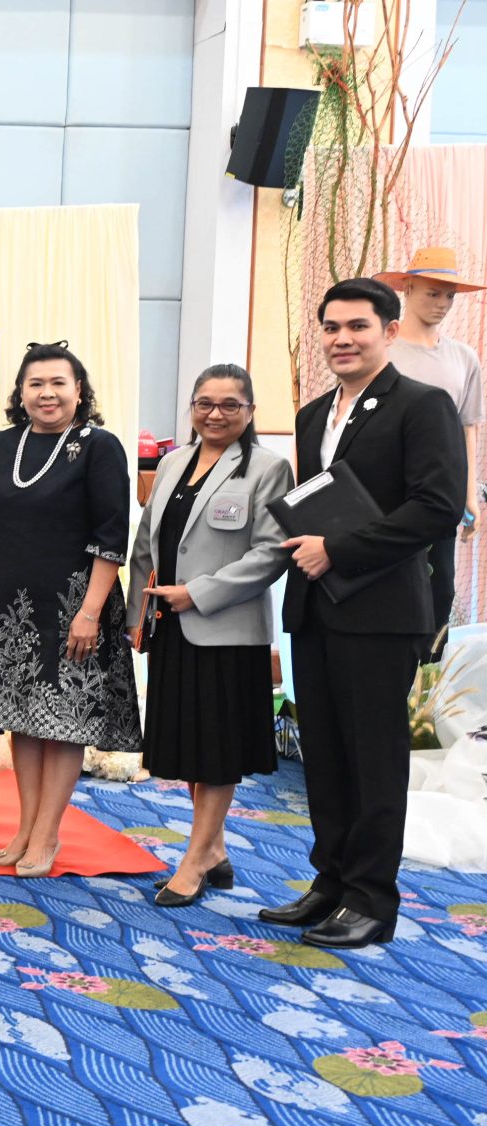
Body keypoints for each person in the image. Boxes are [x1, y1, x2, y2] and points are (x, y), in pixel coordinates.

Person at [264, 277, 465, 948]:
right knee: (323, 755)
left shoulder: (423, 405)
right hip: (317, 606)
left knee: (373, 759)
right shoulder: (313, 413)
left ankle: (372, 899)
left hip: (381, 611)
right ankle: (330, 882)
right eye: (331, 327)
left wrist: (338, 550)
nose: (342, 339)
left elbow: (437, 507)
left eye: (357, 326)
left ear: (389, 331)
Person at [126, 364, 294, 905]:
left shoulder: (268, 468)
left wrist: (197, 593)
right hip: (171, 625)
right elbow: (147, 544)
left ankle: (194, 861)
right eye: (204, 403)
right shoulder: (172, 462)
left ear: (250, 411)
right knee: (190, 744)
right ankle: (215, 848)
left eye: (229, 405)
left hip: (227, 630)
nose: (215, 414)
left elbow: (271, 553)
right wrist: (136, 616)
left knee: (217, 749)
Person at [0, 342, 138, 878]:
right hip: (11, 608)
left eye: (58, 383)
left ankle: (47, 833)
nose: (47, 393)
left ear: (78, 390)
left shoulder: (98, 447)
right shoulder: (1, 446)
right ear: (21, 392)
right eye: (35, 383)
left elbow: (111, 538)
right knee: (22, 716)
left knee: (63, 720)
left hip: (74, 607)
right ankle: (25, 827)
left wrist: (90, 612)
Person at [374, 245, 484, 658]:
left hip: (439, 493)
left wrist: (469, 493)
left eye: (449, 296)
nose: (442, 304)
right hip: (385, 492)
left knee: (439, 589)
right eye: (432, 293)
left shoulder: (463, 358)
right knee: (386, 587)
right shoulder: (381, 351)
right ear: (407, 289)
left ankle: (428, 683)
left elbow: (467, 427)